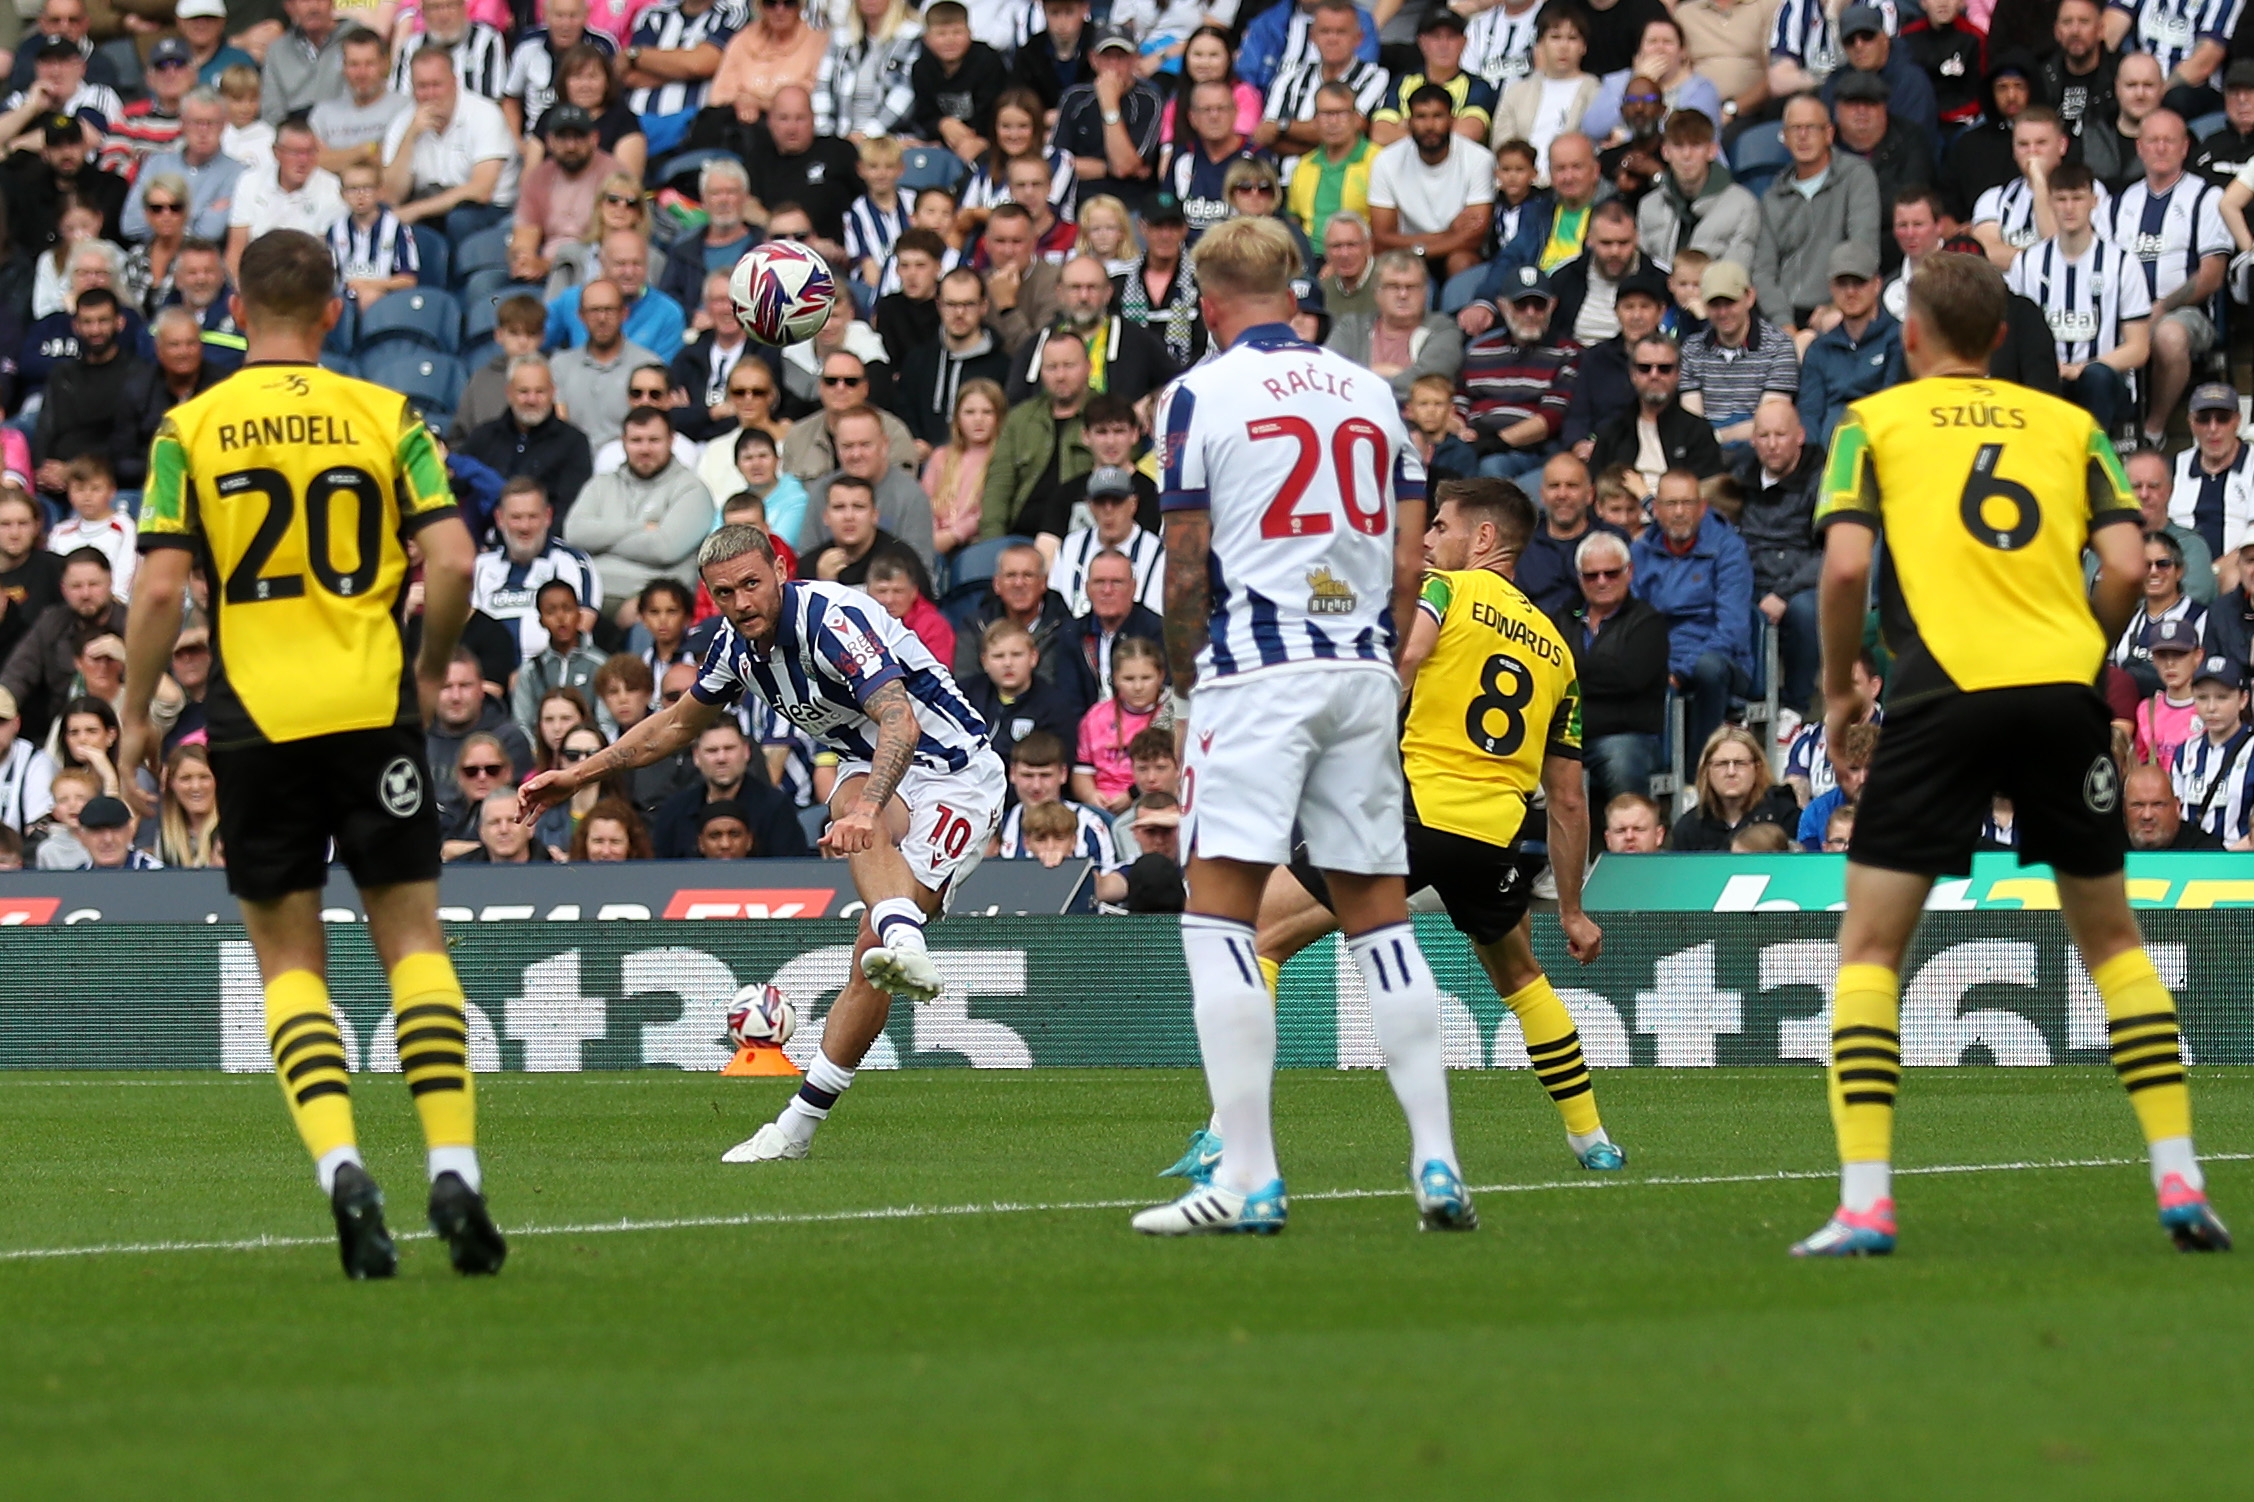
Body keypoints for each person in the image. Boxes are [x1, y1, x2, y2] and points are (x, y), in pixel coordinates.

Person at [1788, 249, 2227, 1256]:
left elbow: (1847, 561)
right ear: (1999, 337)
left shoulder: (1873, 421)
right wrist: (2074, 642)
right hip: (2057, 686)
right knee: (2112, 939)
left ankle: (1865, 1200)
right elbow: (2125, 561)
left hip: (1939, 686)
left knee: (1868, 952)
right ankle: (2177, 1178)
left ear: (1909, 336)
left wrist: (1838, 683)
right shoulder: (2070, 425)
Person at [115, 227, 502, 1278]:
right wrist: (426, 668)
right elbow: (455, 559)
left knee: (289, 962)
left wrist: (135, 712)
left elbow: (156, 589)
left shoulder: (191, 427)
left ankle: (341, 1166)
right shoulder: (386, 415)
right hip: (371, 704)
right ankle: (454, 1164)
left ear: (236, 313)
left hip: (254, 719)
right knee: (413, 941)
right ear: (335, 312)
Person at [1128, 214, 1472, 1237]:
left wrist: (1187, 685)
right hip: (1360, 662)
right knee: (1378, 914)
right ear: (1294, 287)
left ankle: (1248, 1175)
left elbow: (1184, 557)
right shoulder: (1372, 391)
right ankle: (1438, 1162)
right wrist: (1381, 649)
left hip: (1255, 670)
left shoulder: (1198, 393)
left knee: (1218, 915)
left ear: (1209, 299)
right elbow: (1413, 557)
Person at [1163, 476, 1624, 1203]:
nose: (1430, 538)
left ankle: (1226, 1130)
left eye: (1441, 526)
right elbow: (1568, 799)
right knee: (1521, 977)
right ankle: (1592, 1139)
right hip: (1495, 838)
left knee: (1260, 936)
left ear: (1482, 539)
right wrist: (1571, 908)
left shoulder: (1446, 590)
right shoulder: (1560, 654)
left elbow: (1405, 658)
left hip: (1411, 813)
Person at [526, 517, 1005, 1158]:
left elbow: (899, 718)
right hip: (872, 770)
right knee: (874, 931)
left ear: (781, 571)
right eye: (724, 594)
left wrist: (872, 809)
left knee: (867, 918)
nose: (741, 603)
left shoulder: (833, 620)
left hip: (955, 773)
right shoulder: (733, 647)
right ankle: (896, 952)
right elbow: (671, 728)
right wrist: (578, 774)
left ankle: (800, 1118)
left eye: (751, 584)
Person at [2100, 110, 2229, 452]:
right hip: (2124, 313)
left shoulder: (2206, 197)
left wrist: (2160, 308)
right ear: (2139, 147)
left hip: (2184, 312)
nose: (2160, 148)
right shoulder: (2118, 204)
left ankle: (2154, 429)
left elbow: (2212, 275)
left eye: (2168, 141)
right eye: (2152, 141)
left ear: (2184, 147)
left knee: (2169, 337)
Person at [2004, 161, 2150, 436]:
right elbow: (2015, 334)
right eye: (2061, 199)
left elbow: (2138, 348)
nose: (2069, 208)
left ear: (2094, 201)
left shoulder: (2122, 263)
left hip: (2104, 381)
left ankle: (2090, 463)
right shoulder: (2028, 263)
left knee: (2096, 378)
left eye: (2077, 198)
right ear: (2049, 203)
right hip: (2046, 378)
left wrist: (2081, 368)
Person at [1634, 465, 1753, 765]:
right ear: (1656, 509)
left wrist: (1679, 670)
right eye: (1670, 504)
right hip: (1659, 654)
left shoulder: (1729, 549)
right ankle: (1654, 775)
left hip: (1718, 656)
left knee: (1706, 668)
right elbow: (1632, 619)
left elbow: (1732, 629)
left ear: (1702, 508)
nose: (1678, 512)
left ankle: (1698, 770)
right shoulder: (1639, 552)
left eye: (1686, 503)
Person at [564, 405, 713, 624]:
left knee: (646, 614)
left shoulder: (692, 490)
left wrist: (600, 539)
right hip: (590, 590)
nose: (645, 449)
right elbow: (574, 534)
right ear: (623, 442)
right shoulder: (601, 484)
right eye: (636, 440)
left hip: (649, 595)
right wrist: (641, 527)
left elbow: (664, 548)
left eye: (654, 440)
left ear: (672, 440)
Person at [1754, 93, 1882, 338]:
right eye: (1795, 128)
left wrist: (1837, 304)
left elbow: (1863, 247)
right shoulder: (1772, 196)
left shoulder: (1856, 177)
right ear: (1784, 138)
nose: (1803, 136)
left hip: (1838, 310)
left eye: (1811, 127)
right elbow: (1763, 271)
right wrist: (1784, 325)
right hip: (1784, 317)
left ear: (1829, 134)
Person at [381, 44, 519, 240]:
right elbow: (391, 196)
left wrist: (415, 210)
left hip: (488, 210)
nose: (430, 94)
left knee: (458, 220)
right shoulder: (403, 122)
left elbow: (481, 190)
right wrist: (410, 136)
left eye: (436, 85)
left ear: (455, 82)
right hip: (430, 205)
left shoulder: (484, 114)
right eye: (422, 86)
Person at [460, 354, 596, 523]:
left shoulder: (574, 443)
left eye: (540, 391)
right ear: (509, 393)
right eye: (523, 391)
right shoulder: (483, 437)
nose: (532, 400)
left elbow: (570, 510)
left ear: (553, 392)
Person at [1680, 259, 1799, 447]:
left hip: (1758, 449)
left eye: (1730, 303)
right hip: (1706, 451)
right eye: (1714, 304)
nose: (1722, 312)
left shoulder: (1779, 346)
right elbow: (1691, 419)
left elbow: (1771, 422)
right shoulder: (1692, 349)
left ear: (1750, 297)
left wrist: (1717, 437)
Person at [1588, 331, 1726, 491]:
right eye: (1644, 368)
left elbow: (1708, 497)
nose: (1654, 375)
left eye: (1664, 369)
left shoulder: (1698, 432)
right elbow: (1594, 489)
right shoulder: (1612, 432)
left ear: (1678, 374)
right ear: (1632, 374)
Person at [1797, 242, 1905, 446]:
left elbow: (1892, 405)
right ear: (1831, 288)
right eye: (1842, 284)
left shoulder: (1898, 338)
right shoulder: (1820, 349)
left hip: (1879, 446)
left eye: (1859, 282)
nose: (1850, 292)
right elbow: (1810, 414)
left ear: (1877, 284)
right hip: (1826, 455)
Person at [1053, 24, 1162, 207]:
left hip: (1131, 203)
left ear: (1134, 60)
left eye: (1121, 58)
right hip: (1079, 199)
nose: (1113, 66)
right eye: (1106, 58)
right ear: (1093, 59)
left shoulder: (1149, 100)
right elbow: (1057, 162)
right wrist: (1107, 168)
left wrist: (1108, 102)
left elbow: (1124, 166)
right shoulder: (1074, 97)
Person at [2168, 382, 2254, 573]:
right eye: (2203, 419)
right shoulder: (2175, 467)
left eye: (2222, 419)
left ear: (2237, 421)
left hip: (2237, 577)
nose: (2213, 428)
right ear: (2191, 422)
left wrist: (2210, 573)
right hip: (2178, 577)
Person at [1669, 724, 1797, 849]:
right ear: (1706, 771)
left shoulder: (1785, 816)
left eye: (1740, 763)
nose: (1731, 772)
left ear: (1757, 768)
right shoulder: (1689, 828)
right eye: (1722, 764)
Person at [2125, 758, 2218, 848]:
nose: (2147, 815)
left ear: (2177, 807)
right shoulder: (2112, 848)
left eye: (2158, 805)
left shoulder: (2206, 852)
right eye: (2137, 805)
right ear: (2124, 808)